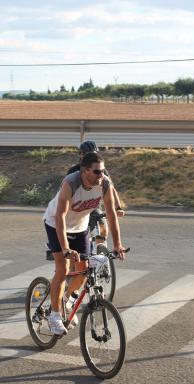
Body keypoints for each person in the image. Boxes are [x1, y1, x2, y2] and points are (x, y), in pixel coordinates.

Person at [44, 152, 127, 335]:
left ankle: (65, 300)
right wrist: (65, 248)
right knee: (63, 269)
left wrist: (117, 244)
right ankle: (54, 315)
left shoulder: (105, 183)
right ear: (84, 171)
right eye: (97, 172)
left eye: (103, 171)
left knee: (84, 271)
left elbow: (112, 215)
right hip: (56, 224)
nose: (101, 175)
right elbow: (60, 216)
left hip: (80, 228)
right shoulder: (71, 183)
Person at [67, 140, 125, 246]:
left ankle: (99, 251)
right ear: (81, 155)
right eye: (88, 154)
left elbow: (111, 189)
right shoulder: (73, 171)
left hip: (94, 206)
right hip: (77, 208)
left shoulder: (101, 170)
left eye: (94, 153)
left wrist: (118, 207)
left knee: (103, 230)